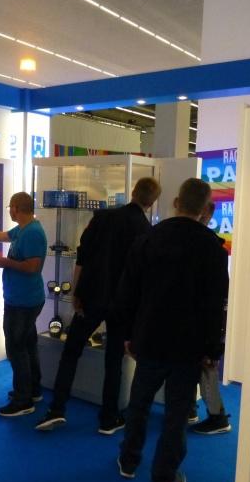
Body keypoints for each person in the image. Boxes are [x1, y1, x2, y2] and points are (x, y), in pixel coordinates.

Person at [116, 178, 229, 482]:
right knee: (176, 414)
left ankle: (128, 460)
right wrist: (212, 349)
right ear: (206, 209)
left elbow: (128, 294)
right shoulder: (213, 249)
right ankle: (163, 479)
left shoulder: (148, 239)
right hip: (188, 346)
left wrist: (128, 335)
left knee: (139, 404)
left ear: (177, 202)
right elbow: (215, 306)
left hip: (149, 339)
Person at [35, 177, 162, 434]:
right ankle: (108, 417)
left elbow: (82, 256)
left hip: (92, 296)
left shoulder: (103, 217)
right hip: (123, 305)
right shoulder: (146, 230)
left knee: (71, 351)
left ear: (133, 192)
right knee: (114, 360)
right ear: (151, 202)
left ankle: (56, 409)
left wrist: (76, 291)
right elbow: (142, 277)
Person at [0, 192, 48, 417]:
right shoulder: (22, 229)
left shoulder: (33, 233)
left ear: (17, 208)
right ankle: (33, 390)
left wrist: (6, 262)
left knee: (15, 348)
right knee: (27, 345)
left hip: (23, 301)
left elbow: (33, 267)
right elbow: (2, 235)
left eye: (10, 207)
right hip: (22, 299)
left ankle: (23, 400)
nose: (9, 210)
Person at [189, 201, 232, 434]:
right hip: (200, 322)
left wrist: (215, 344)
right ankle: (193, 410)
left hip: (203, 323)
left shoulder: (212, 248)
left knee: (206, 368)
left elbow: (218, 297)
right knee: (197, 367)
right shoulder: (210, 245)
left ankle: (217, 417)